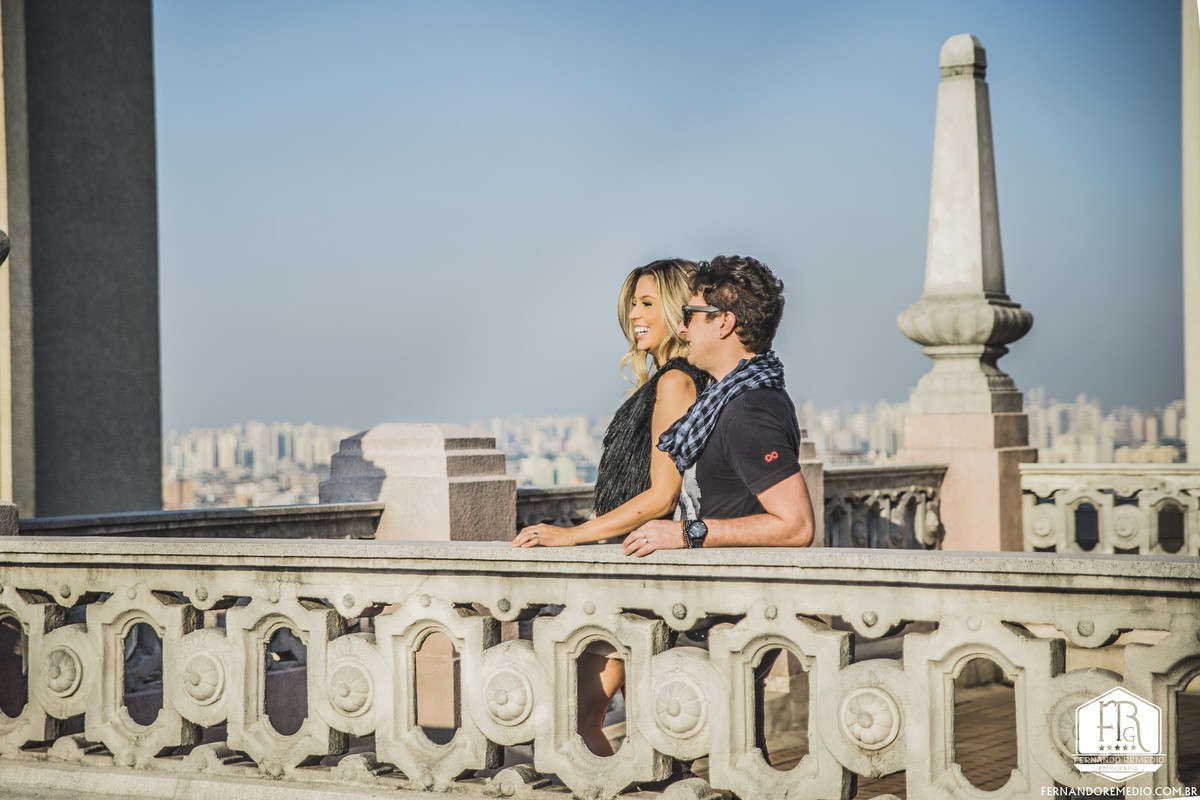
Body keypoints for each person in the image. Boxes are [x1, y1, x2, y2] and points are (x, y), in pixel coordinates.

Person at [511, 258, 711, 756]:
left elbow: (662, 495)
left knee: (578, 724)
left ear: (677, 311)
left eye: (647, 303)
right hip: (634, 572)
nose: (634, 316)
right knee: (641, 731)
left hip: (642, 578)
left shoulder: (675, 382)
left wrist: (574, 533)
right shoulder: (668, 379)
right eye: (631, 305)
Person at [622, 254, 815, 761]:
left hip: (731, 615)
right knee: (726, 754)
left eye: (691, 314)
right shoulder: (732, 397)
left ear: (724, 322)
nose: (682, 326)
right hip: (719, 611)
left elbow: (796, 525)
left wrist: (686, 533)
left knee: (730, 757)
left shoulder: (750, 409)